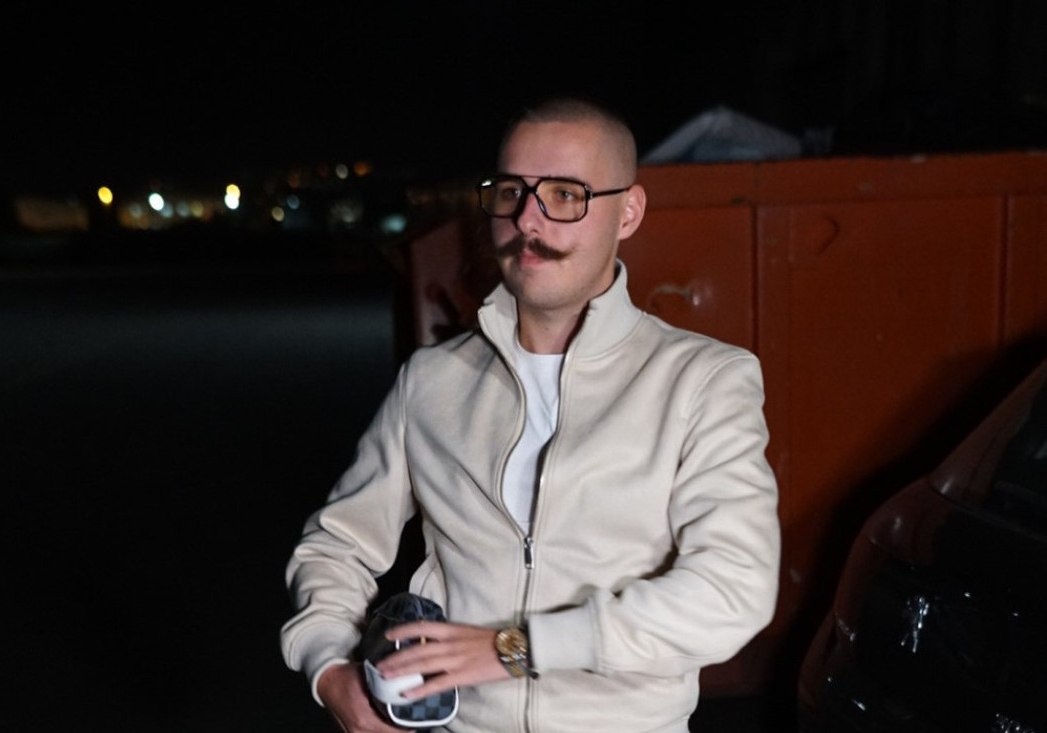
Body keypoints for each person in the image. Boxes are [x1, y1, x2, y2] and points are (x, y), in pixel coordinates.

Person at [281, 95, 781, 733]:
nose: (528, 220)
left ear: (628, 211)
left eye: (565, 195)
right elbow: (336, 546)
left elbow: (733, 589)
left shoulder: (702, 381)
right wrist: (329, 666)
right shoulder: (431, 381)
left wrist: (516, 650)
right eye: (512, 192)